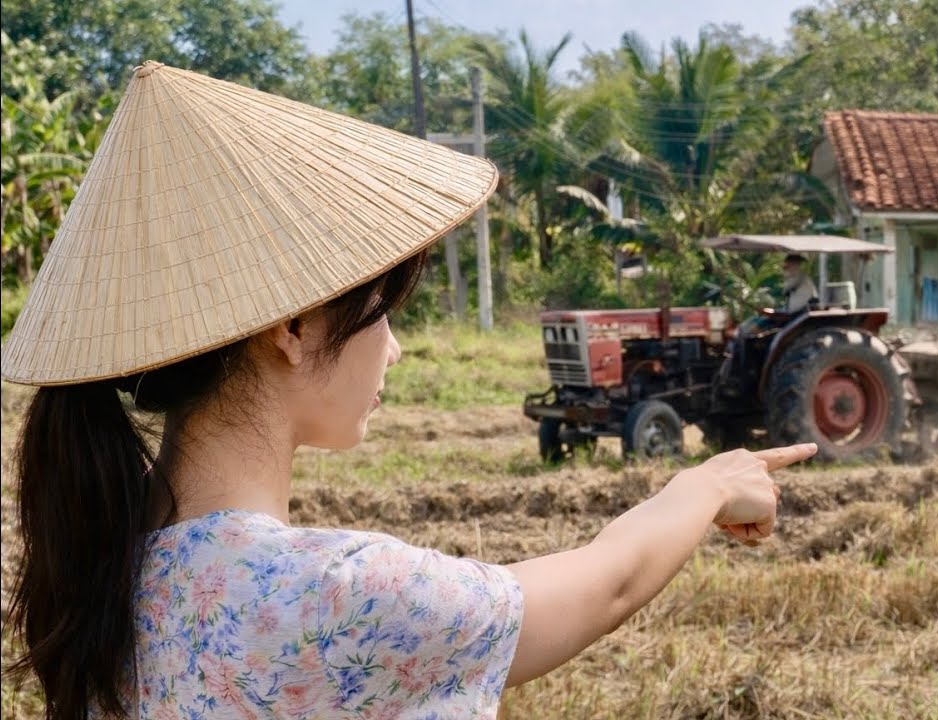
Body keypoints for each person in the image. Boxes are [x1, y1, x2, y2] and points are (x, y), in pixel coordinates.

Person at [2, 63, 817, 720]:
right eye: (383, 311)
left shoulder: (109, 560)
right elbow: (609, 585)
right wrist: (708, 485)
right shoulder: (332, 596)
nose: (393, 346)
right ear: (293, 327)